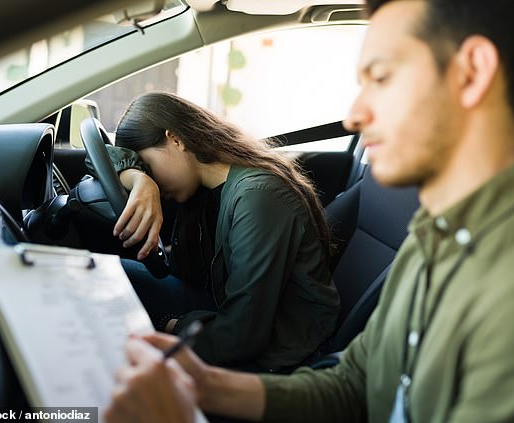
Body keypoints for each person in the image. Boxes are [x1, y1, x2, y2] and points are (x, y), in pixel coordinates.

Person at [104, 0, 514, 422]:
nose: (354, 116)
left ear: (471, 72)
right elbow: (355, 384)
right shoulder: (433, 235)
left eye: (381, 78)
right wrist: (204, 387)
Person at [90, 92, 340, 372]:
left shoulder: (257, 196)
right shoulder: (209, 190)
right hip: (232, 314)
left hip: (284, 352)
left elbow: (242, 335)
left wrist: (172, 327)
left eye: (149, 167)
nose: (153, 182)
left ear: (175, 140)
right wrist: (139, 179)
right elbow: (100, 159)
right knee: (106, 275)